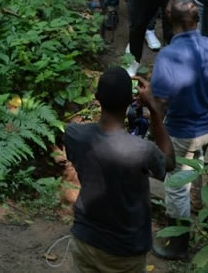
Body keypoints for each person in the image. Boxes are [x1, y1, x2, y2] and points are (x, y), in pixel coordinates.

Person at [65, 67, 175, 272]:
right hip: (125, 250)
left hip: (85, 239)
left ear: (97, 98)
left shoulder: (74, 135)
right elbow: (168, 162)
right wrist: (153, 109)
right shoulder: (142, 150)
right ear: (131, 101)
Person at [150, 0, 208, 260]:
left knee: (174, 186)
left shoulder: (168, 56)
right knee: (196, 159)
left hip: (183, 130)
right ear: (197, 20)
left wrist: (156, 131)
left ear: (171, 21)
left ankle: (179, 244)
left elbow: (160, 100)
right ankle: (197, 198)